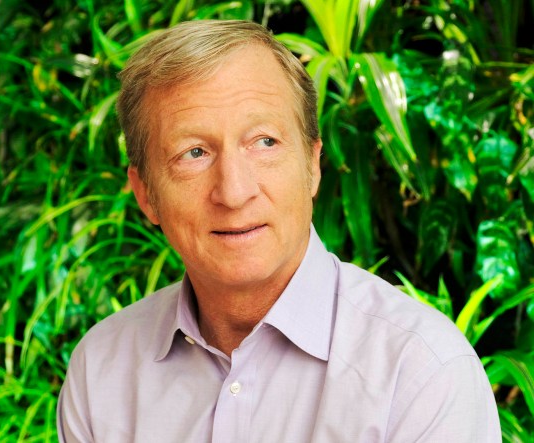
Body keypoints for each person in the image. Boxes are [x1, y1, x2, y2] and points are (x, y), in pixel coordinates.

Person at [57, 20, 501, 442]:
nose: (234, 192)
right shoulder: (101, 372)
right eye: (194, 153)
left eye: (264, 142)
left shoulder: (421, 371)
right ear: (146, 194)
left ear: (312, 166)